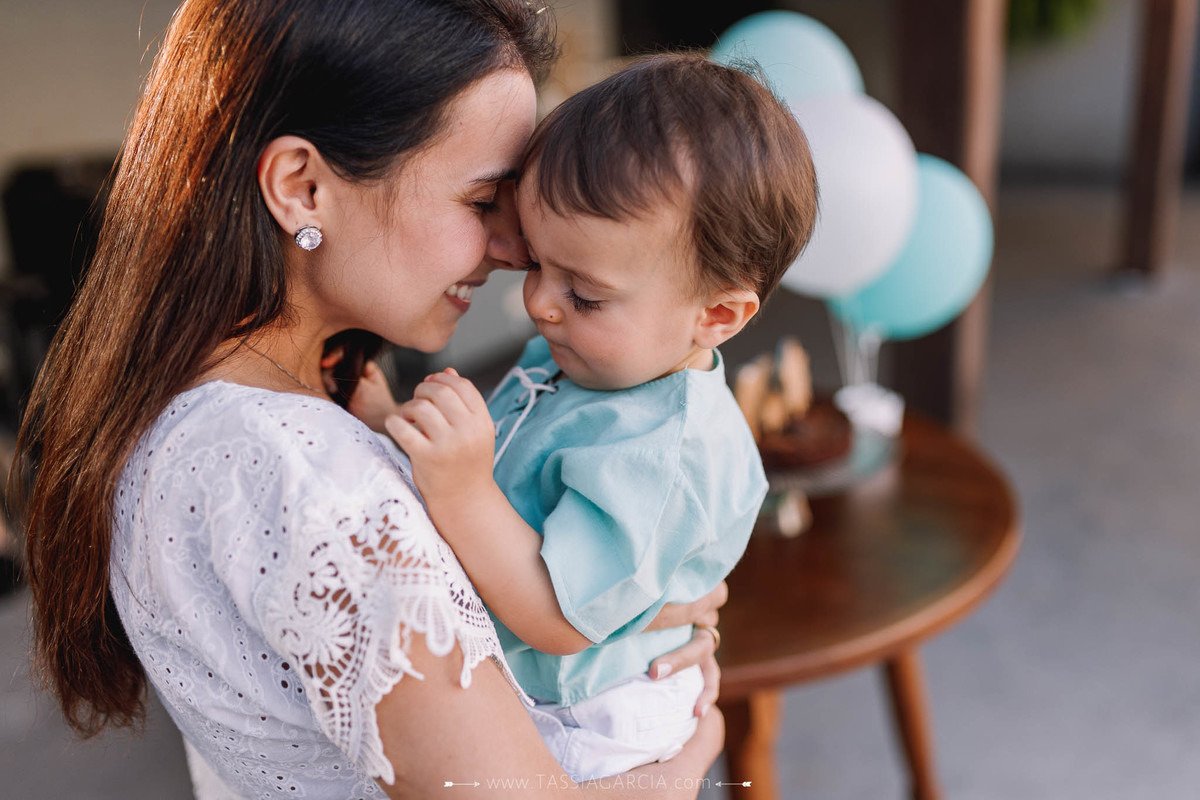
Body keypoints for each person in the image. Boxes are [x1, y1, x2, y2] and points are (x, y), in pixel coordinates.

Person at [9, 2, 727, 797]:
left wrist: (619, 607)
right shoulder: (313, 481)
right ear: (303, 187)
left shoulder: (209, 412)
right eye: (483, 200)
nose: (516, 250)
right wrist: (689, 755)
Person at [350, 54, 817, 783]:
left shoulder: (665, 449)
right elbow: (517, 488)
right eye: (540, 263)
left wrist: (463, 488)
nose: (539, 302)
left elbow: (559, 619)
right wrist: (398, 428)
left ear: (716, 315)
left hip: (588, 726)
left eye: (585, 292)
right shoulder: (585, 358)